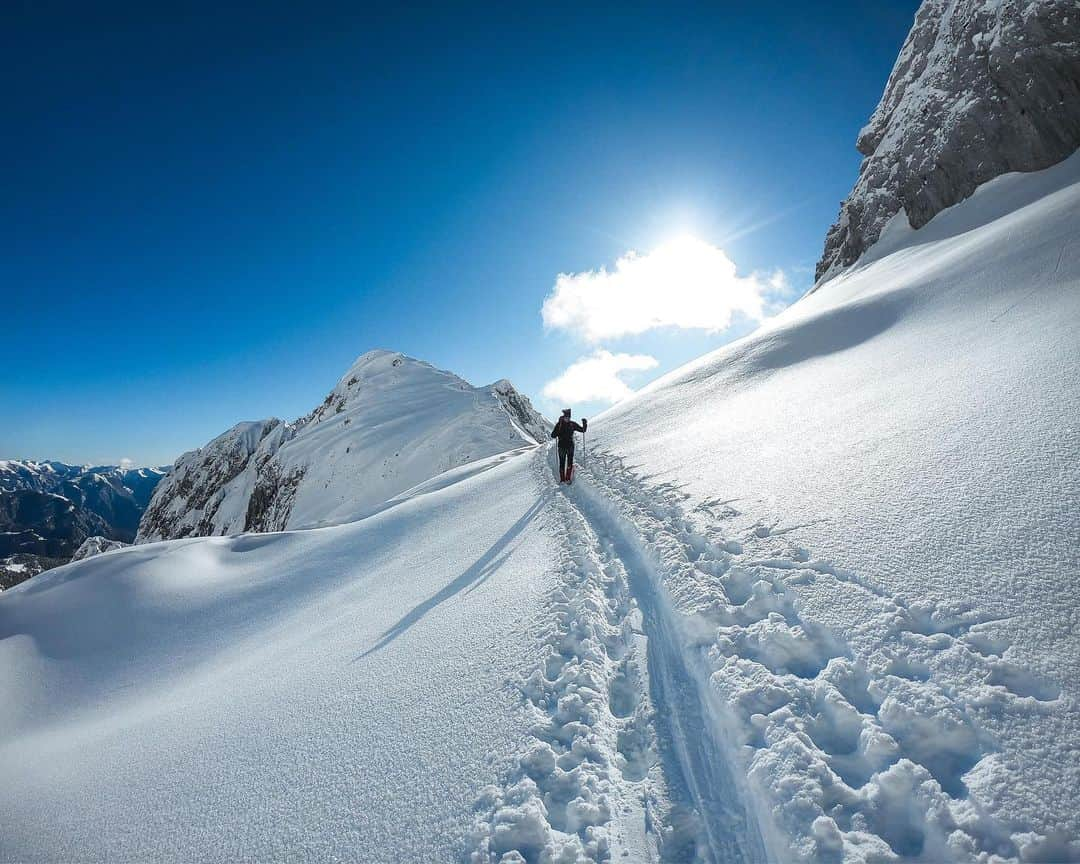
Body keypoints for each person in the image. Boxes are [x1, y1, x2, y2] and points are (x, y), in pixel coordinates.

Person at [551, 409, 587, 483]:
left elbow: (582, 430)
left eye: (569, 417)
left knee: (570, 462)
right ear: (564, 417)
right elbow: (553, 435)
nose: (567, 419)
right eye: (566, 417)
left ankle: (567, 478)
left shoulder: (572, 424)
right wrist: (557, 431)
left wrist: (584, 423)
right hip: (561, 447)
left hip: (570, 446)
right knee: (562, 462)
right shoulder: (559, 424)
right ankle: (562, 479)